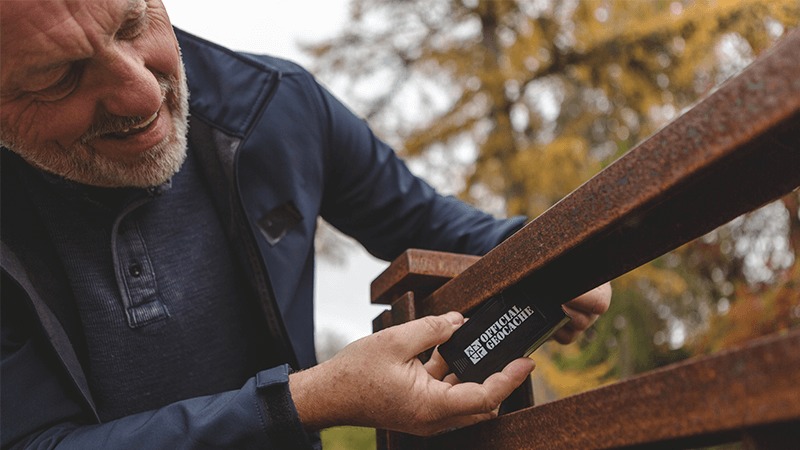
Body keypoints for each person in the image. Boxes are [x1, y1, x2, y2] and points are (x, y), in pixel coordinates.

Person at [0, 0, 611, 448]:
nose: (140, 97)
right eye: (60, 77)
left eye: (134, 25)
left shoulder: (276, 107)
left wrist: (551, 250)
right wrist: (309, 400)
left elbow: (427, 222)